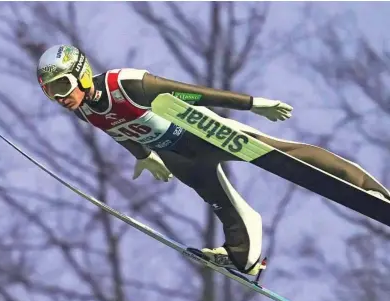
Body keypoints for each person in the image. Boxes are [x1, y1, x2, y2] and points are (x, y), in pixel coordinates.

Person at [37, 45, 390, 275]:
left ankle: (373, 193)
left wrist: (252, 103)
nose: (60, 97)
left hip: (201, 133)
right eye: (51, 92)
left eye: (62, 86)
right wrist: (144, 156)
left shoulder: (125, 84)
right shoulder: (84, 112)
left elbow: (190, 92)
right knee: (223, 202)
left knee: (281, 152)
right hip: (177, 157)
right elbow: (115, 131)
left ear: (82, 74)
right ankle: (244, 257)